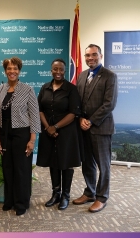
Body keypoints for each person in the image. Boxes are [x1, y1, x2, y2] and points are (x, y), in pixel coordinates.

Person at [0, 57, 41, 216]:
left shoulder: (27, 89)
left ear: (19, 70)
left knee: (21, 169)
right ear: (5, 70)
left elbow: (34, 116)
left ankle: (21, 203)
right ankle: (9, 200)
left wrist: (32, 140)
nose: (12, 71)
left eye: (15, 68)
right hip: (4, 132)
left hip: (22, 133)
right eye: (9, 68)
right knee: (7, 168)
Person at [72, 44, 118, 213]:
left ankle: (102, 197)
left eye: (93, 55)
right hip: (83, 128)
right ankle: (90, 192)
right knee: (87, 164)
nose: (90, 58)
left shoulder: (110, 76)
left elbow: (109, 104)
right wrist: (80, 119)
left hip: (101, 128)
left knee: (103, 165)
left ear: (101, 55)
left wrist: (90, 121)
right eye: (87, 55)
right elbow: (77, 101)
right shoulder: (82, 75)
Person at [36, 58, 83, 210]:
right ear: (51, 70)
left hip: (67, 132)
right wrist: (48, 127)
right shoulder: (45, 87)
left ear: (65, 71)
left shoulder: (71, 89)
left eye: (61, 69)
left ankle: (65, 196)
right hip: (48, 130)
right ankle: (56, 193)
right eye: (55, 69)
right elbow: (39, 109)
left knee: (66, 163)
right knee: (53, 162)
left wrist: (55, 127)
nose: (58, 72)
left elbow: (73, 113)